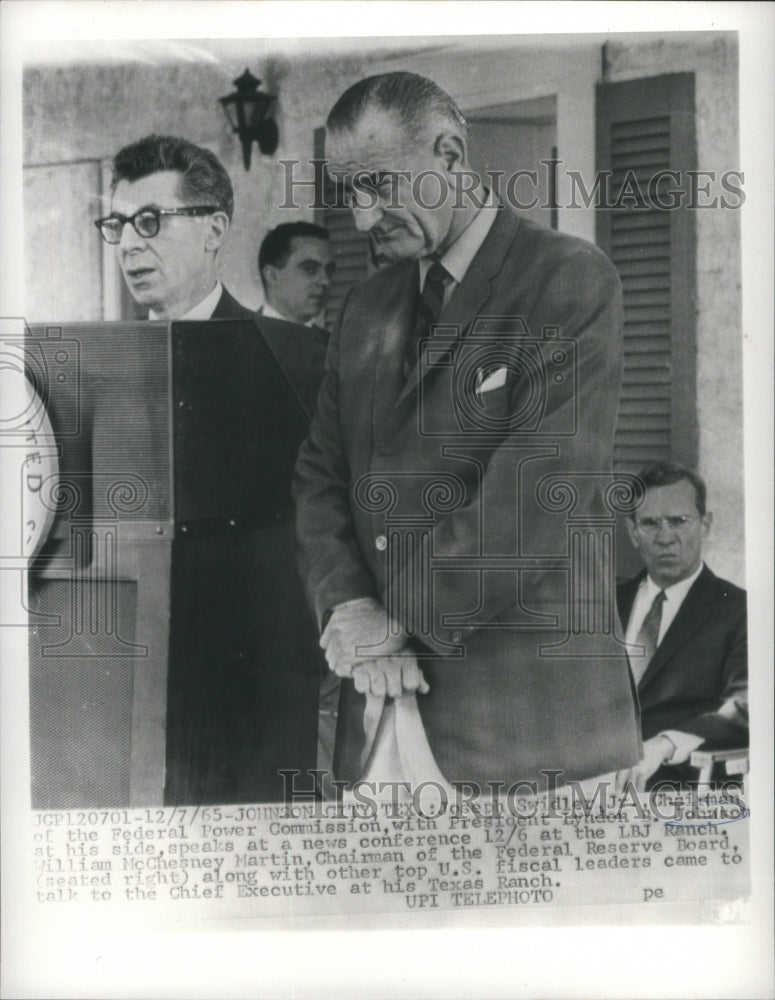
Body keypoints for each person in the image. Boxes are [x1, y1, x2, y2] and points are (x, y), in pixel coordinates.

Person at [293, 71, 641, 792]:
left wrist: (393, 623)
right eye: (348, 193)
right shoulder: (367, 306)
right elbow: (320, 476)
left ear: (450, 154)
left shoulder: (568, 280)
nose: (361, 219)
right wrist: (349, 607)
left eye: (379, 185)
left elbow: (537, 494)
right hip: (380, 715)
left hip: (528, 732)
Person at [615, 462, 748, 791]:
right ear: (633, 531)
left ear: (705, 525)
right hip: (594, 788)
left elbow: (747, 704)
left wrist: (665, 744)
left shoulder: (738, 609)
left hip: (683, 791)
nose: (665, 537)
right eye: (650, 523)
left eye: (679, 521)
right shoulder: (605, 605)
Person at [95, 134, 252, 319]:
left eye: (149, 221)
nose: (127, 245)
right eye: (119, 225)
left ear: (213, 232)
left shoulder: (280, 344)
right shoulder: (110, 347)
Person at [258, 222, 335, 328]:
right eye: (309, 269)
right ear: (272, 276)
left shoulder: (331, 343)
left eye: (329, 270)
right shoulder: (233, 339)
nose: (326, 281)